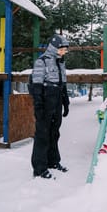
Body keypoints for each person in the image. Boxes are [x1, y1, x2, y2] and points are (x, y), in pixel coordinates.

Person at [31, 34, 70, 179]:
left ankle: (53, 161)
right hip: (46, 100)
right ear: (54, 48)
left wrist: (65, 102)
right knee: (42, 134)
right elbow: (36, 85)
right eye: (62, 49)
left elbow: (63, 83)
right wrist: (38, 105)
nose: (64, 51)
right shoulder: (42, 62)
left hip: (57, 99)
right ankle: (39, 168)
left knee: (54, 132)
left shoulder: (61, 63)